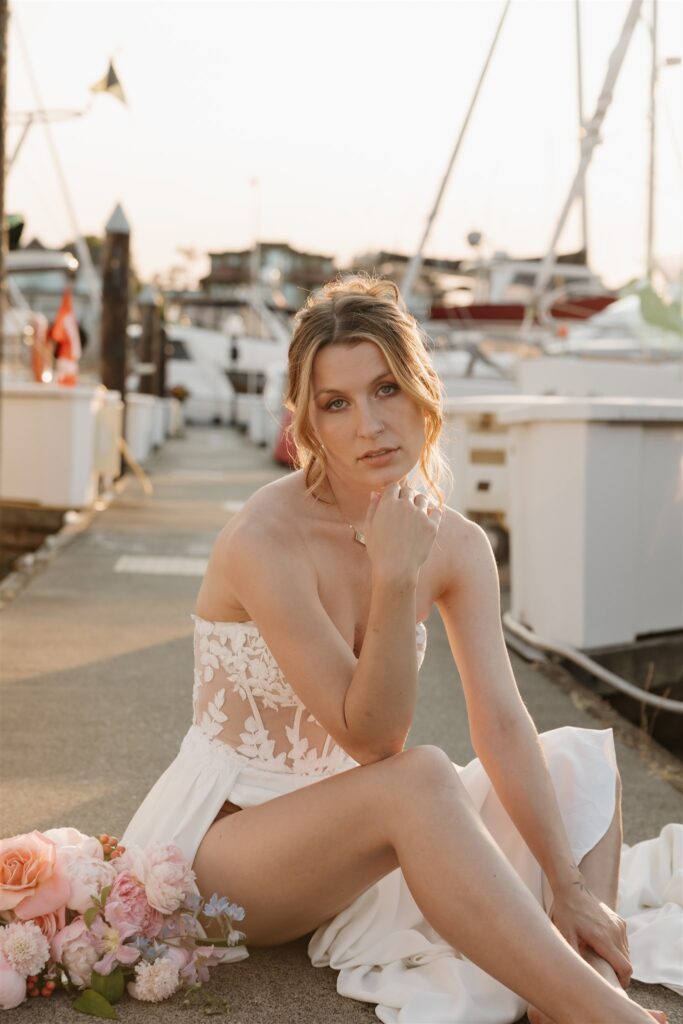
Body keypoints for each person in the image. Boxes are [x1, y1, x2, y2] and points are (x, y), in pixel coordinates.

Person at [122, 275, 670, 1024]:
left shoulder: (457, 543)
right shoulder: (264, 541)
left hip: (362, 841)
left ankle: (578, 970)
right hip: (230, 853)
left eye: (385, 389)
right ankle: (610, 1018)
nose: (368, 425)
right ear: (307, 423)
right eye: (335, 403)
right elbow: (374, 739)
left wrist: (568, 886)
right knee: (420, 778)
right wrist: (393, 574)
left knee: (575, 761)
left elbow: (502, 723)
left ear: (421, 393)